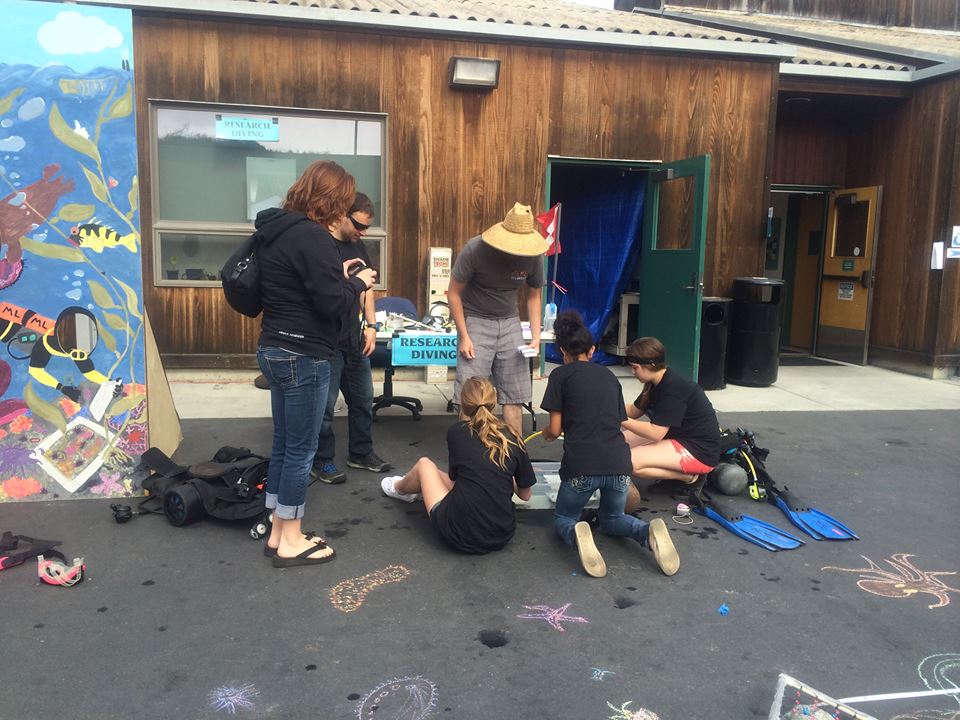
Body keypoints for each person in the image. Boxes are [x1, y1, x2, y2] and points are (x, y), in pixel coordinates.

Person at [256, 160, 377, 568]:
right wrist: (357, 283)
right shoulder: (314, 236)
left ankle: (277, 528)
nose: (346, 211)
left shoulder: (279, 230)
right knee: (301, 451)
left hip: (273, 347)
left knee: (283, 444)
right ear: (331, 200)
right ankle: (291, 537)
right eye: (343, 202)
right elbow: (332, 303)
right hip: (305, 355)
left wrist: (337, 275)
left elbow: (298, 286)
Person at [540, 311, 679, 577]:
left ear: (562, 351)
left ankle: (576, 531)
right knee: (613, 519)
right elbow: (617, 420)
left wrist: (548, 432)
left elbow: (555, 429)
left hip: (582, 466)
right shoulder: (609, 378)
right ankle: (645, 531)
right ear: (591, 350)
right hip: (619, 464)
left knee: (564, 518)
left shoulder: (560, 376)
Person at [380, 376, 535, 554]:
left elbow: (455, 478)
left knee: (425, 465)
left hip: (458, 533)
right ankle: (409, 488)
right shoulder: (513, 437)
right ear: (495, 401)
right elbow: (525, 495)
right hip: (501, 534)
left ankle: (399, 489)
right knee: (475, 479)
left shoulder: (458, 432)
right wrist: (506, 476)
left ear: (464, 403)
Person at [447, 203, 546, 439]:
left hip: (510, 321)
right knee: (471, 395)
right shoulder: (476, 249)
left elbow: (533, 295)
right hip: (476, 321)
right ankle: (468, 453)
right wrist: (465, 336)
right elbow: (453, 293)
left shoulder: (532, 256)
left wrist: (535, 336)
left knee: (514, 395)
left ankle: (515, 455)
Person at [312, 192, 390, 484]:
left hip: (354, 339)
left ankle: (360, 453)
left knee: (363, 400)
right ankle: (321, 461)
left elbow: (366, 287)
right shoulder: (321, 245)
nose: (362, 232)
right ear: (342, 215)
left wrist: (371, 326)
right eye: (358, 225)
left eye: (367, 228)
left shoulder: (358, 245)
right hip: (327, 341)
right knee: (325, 408)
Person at [622, 337, 722, 488]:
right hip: (675, 435)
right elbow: (633, 411)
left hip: (699, 450)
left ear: (651, 365)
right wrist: (606, 406)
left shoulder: (673, 388)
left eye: (635, 367)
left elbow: (655, 433)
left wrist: (620, 418)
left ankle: (689, 477)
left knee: (627, 462)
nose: (632, 372)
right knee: (617, 442)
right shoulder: (655, 382)